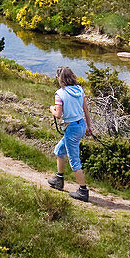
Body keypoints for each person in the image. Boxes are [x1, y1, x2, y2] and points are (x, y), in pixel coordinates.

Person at [46, 66, 93, 201]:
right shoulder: (79, 89)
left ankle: (83, 191)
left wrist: (51, 110)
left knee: (74, 161)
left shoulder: (59, 94)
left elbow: (59, 115)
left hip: (71, 129)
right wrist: (89, 126)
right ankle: (58, 179)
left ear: (60, 78)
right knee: (59, 150)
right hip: (81, 125)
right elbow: (86, 110)